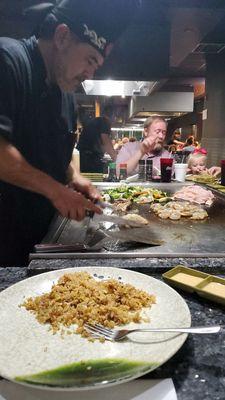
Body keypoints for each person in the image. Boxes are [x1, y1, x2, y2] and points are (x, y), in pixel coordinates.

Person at [0, 0, 134, 266]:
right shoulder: (9, 60)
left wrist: (75, 178)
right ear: (62, 37)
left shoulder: (65, 95)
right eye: (90, 60)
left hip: (41, 240)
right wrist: (57, 191)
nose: (90, 73)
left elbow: (53, 157)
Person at [77, 106, 117, 173]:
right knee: (94, 178)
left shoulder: (97, 121)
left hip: (83, 156)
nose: (115, 120)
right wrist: (117, 159)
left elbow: (103, 145)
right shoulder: (105, 122)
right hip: (89, 157)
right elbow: (106, 141)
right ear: (113, 116)